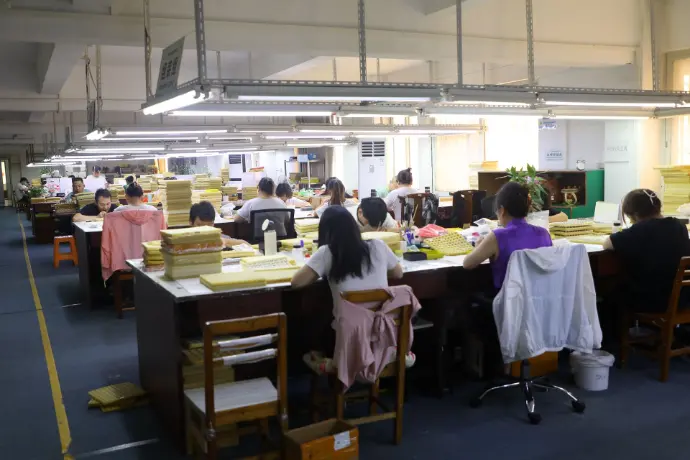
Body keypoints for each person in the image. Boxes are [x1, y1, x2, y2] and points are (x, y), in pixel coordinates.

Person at [291, 206, 404, 305]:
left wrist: (317, 272)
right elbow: (398, 273)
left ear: (325, 231)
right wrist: (376, 271)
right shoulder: (378, 245)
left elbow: (296, 283)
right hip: (384, 321)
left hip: (350, 322)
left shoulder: (327, 252)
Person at [603, 189, 690, 313]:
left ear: (635, 215)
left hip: (654, 301)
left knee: (607, 292)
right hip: (682, 299)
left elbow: (607, 244)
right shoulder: (679, 226)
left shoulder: (640, 230)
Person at [463, 182, 553, 292]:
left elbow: (467, 264)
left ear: (502, 210)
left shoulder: (498, 236)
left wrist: (478, 247)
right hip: (539, 298)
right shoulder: (544, 234)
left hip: (507, 300)